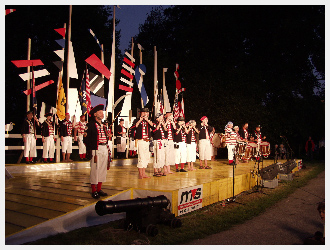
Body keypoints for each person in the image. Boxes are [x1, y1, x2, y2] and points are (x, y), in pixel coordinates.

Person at [83, 104, 110, 199]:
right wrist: (91, 148)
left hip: (104, 148)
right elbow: (85, 139)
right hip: (96, 149)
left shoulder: (103, 125)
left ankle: (99, 188)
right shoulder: (90, 125)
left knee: (102, 168)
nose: (102, 114)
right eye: (100, 112)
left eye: (102, 112)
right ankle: (94, 190)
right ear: (95, 114)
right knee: (95, 169)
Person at [131, 108, 153, 179]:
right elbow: (133, 128)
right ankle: (140, 174)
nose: (145, 114)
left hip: (147, 141)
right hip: (140, 141)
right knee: (141, 157)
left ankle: (144, 173)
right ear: (141, 113)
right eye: (144, 112)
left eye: (147, 113)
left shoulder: (148, 121)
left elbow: (153, 126)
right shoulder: (137, 120)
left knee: (146, 158)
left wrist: (147, 120)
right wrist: (140, 120)